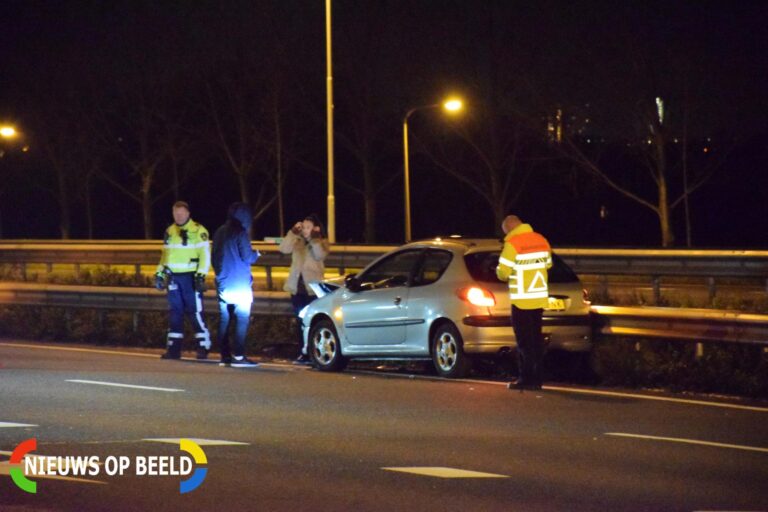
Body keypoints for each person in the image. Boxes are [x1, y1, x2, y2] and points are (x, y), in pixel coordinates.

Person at [496, 215, 553, 390]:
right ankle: (538, 379)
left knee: (524, 342)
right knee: (536, 340)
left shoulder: (513, 244)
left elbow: (503, 273)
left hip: (522, 300)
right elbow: (548, 264)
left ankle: (526, 379)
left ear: (509, 229)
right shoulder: (541, 240)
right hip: (538, 299)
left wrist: (499, 271)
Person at [155, 201, 212, 360]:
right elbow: (165, 255)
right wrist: (159, 273)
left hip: (190, 277)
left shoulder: (198, 230)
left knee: (194, 312)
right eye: (175, 213)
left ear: (188, 213)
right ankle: (173, 350)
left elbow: (205, 255)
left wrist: (201, 275)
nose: (178, 216)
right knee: (175, 313)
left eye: (181, 213)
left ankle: (203, 346)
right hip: (173, 277)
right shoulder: (170, 231)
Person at [212, 202, 261, 368]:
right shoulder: (241, 233)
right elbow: (247, 257)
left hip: (223, 284)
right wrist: (257, 254)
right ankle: (239, 356)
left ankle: (224, 356)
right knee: (242, 318)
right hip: (240, 284)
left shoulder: (219, 232)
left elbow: (214, 258)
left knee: (224, 319)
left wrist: (220, 276)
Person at [278, 214, 330, 364]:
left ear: (316, 228)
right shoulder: (298, 241)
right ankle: (303, 352)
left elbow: (320, 255)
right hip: (297, 289)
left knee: (313, 323)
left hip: (313, 290)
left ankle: (314, 353)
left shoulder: (322, 242)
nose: (305, 230)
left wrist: (314, 239)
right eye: (304, 227)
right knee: (300, 322)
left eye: (308, 227)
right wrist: (293, 232)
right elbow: (283, 248)